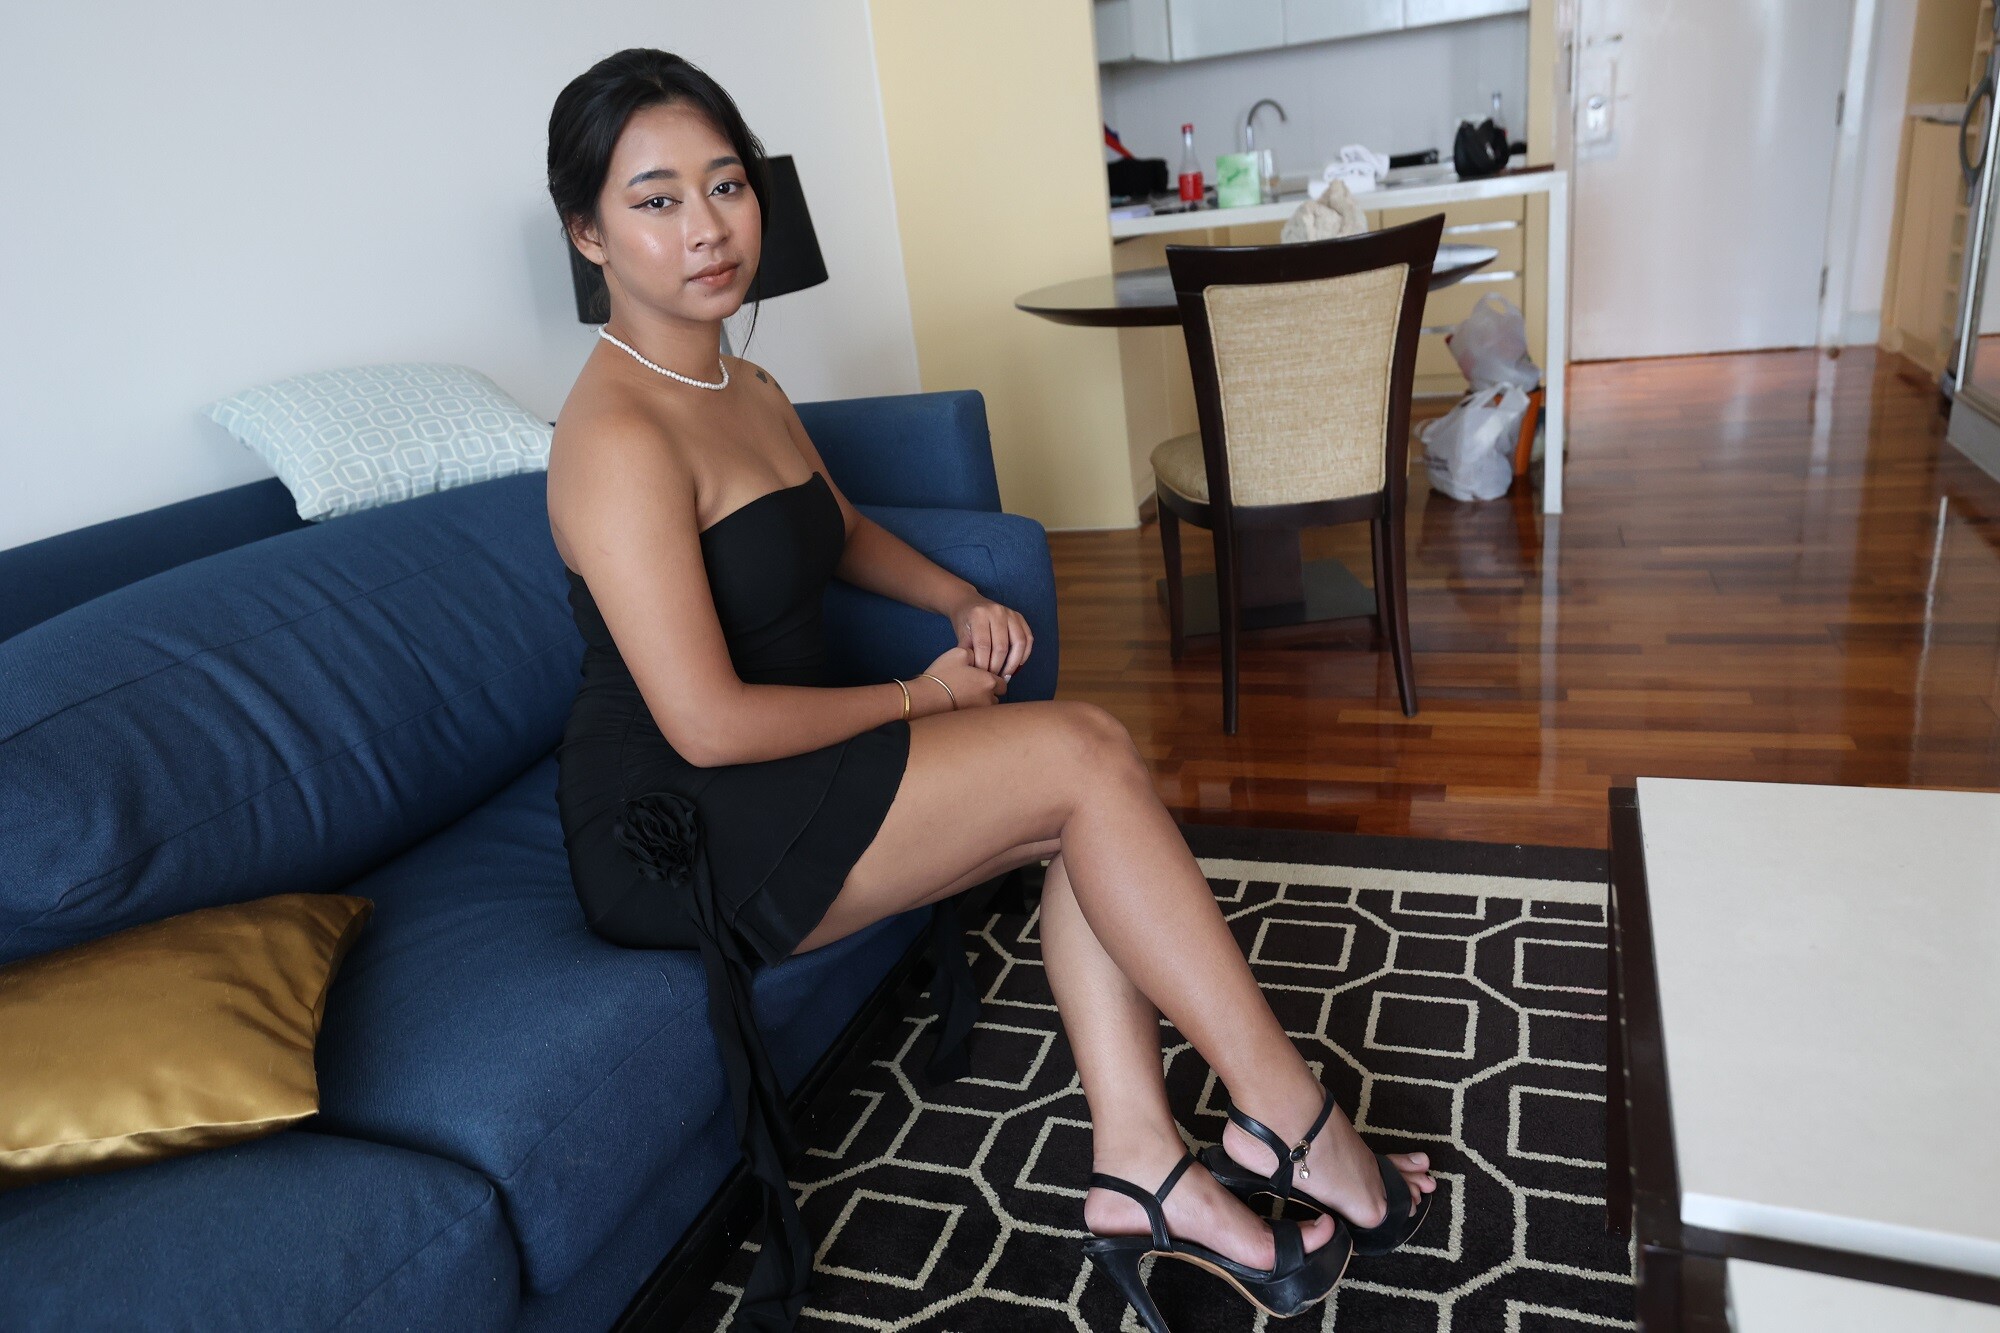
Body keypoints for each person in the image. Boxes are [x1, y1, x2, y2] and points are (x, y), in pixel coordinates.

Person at [543, 47, 1436, 1333]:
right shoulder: (616, 436)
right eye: (656, 200)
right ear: (587, 233)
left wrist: (957, 601)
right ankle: (1292, 1126)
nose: (707, 228)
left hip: (778, 764)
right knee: (1081, 759)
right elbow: (705, 723)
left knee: (1088, 794)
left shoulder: (742, 380)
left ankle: (1142, 1165)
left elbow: (838, 529)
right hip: (682, 819)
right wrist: (924, 697)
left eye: (725, 184)